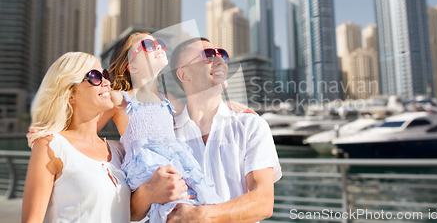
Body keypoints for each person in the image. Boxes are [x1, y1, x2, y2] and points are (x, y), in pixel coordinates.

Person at [101, 31, 255, 222]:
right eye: (148, 45)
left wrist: (227, 106)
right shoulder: (120, 99)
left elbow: (200, 107)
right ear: (131, 66)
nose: (157, 45)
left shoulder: (168, 99)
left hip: (176, 164)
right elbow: (88, 124)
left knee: (196, 201)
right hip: (147, 167)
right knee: (177, 208)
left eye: (158, 42)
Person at [131, 37, 282, 223]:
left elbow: (263, 202)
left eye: (222, 54)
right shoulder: (166, 135)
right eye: (208, 55)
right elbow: (134, 212)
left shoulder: (250, 126)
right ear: (183, 74)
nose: (220, 61)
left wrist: (202, 216)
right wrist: (146, 193)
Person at [22, 52, 130, 223]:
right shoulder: (51, 146)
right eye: (95, 76)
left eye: (105, 75)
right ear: (70, 94)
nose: (107, 82)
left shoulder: (119, 150)